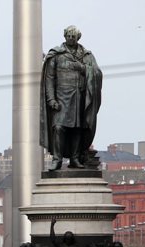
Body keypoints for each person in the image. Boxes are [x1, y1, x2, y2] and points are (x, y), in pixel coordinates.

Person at [40, 25, 102, 170]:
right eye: (68, 36)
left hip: (79, 96)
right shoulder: (56, 55)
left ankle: (75, 158)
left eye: (73, 37)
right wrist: (51, 99)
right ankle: (57, 159)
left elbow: (97, 73)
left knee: (77, 128)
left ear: (78, 38)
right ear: (65, 36)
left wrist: (84, 69)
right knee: (59, 127)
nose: (70, 39)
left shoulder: (86, 55)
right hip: (61, 97)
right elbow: (49, 78)